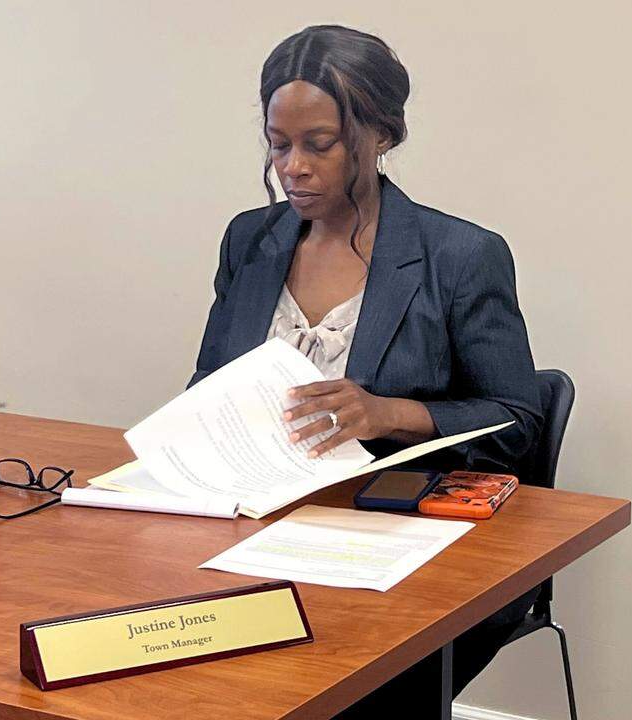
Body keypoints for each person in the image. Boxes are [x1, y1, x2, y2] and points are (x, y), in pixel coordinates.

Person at [188, 24, 545, 708]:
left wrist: (388, 413)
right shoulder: (251, 239)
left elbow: (517, 421)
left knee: (332, 684)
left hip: (404, 541)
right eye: (278, 143)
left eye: (319, 145)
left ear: (380, 136)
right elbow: (208, 382)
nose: (293, 166)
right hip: (265, 525)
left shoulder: (459, 256)